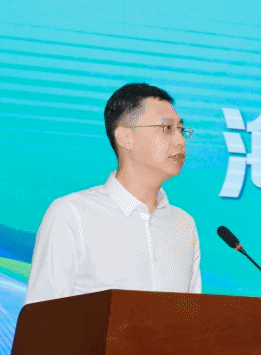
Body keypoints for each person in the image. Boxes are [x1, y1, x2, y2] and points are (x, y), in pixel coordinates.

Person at [23, 82, 201, 304]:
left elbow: (192, 318)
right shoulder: (72, 214)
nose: (181, 141)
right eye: (167, 128)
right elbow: (40, 317)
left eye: (182, 130)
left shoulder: (184, 225)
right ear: (125, 137)